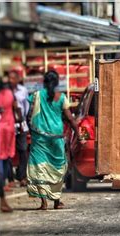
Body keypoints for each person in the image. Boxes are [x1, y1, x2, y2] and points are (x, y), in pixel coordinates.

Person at [26, 71, 81, 210]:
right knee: (57, 168)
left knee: (40, 168)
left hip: (39, 139)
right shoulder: (61, 97)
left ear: (44, 82)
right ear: (57, 83)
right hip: (56, 138)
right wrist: (78, 134)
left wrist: (32, 130)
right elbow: (70, 118)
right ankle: (57, 201)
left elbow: (28, 115)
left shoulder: (36, 96)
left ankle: (44, 203)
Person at [9, 70, 30, 187]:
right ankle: (10, 178)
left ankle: (22, 176)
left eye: (13, 78)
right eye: (9, 78)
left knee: (22, 150)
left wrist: (23, 120)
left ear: (17, 79)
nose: (11, 81)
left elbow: (26, 107)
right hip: (8, 125)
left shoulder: (23, 90)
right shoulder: (5, 91)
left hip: (21, 125)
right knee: (8, 153)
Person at [0, 77, 15, 212]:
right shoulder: (9, 94)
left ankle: (2, 197)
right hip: (8, 131)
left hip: (0, 132)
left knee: (1, 163)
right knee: (4, 160)